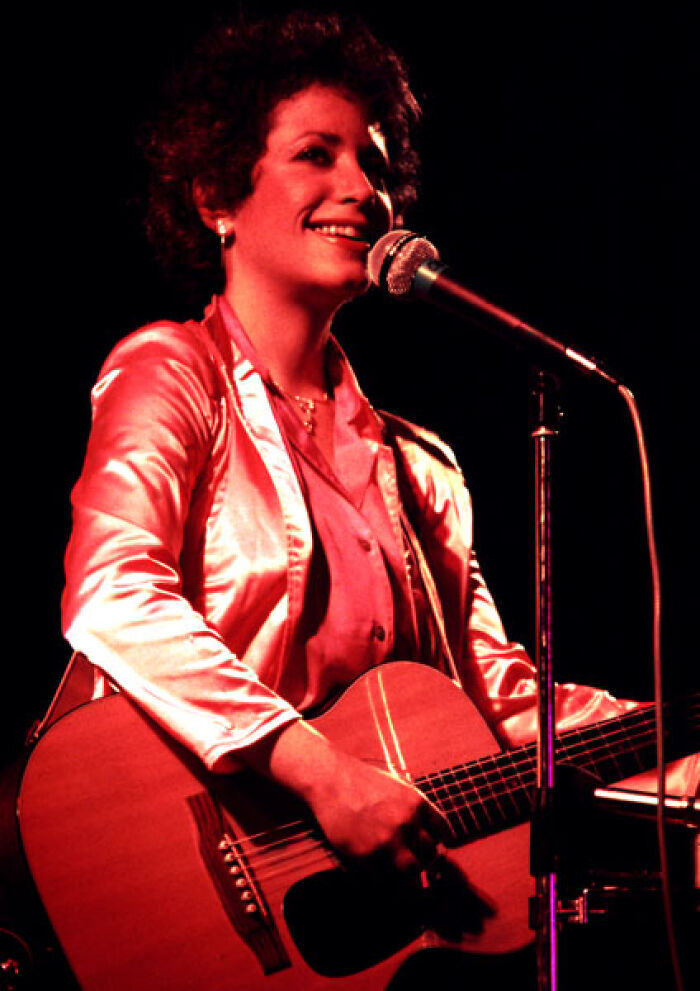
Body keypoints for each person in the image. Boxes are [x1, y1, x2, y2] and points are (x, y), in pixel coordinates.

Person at [53, 9, 696, 987]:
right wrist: (325, 773)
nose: (365, 189)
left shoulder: (418, 468)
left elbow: (501, 703)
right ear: (213, 195)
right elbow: (113, 594)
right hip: (154, 872)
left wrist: (685, 756)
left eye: (378, 164)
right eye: (318, 155)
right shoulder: (170, 372)